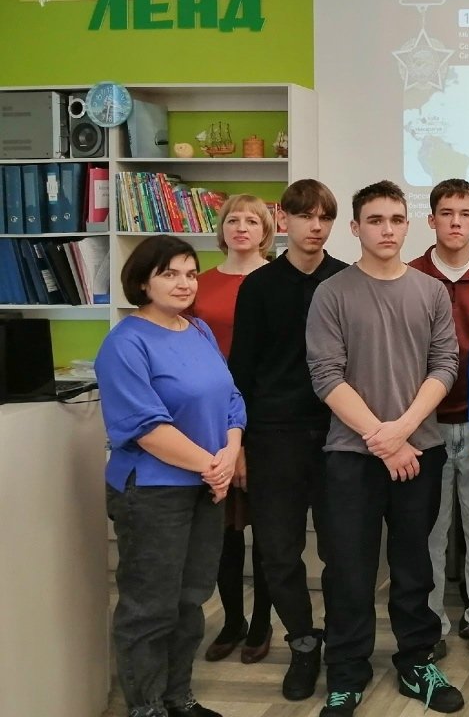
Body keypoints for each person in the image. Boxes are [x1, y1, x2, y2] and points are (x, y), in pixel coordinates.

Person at [306, 180, 463, 717]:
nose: (387, 229)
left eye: (396, 219)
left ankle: (416, 661)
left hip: (420, 451)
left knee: (415, 564)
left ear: (408, 224)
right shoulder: (332, 293)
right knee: (349, 568)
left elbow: (445, 365)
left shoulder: (430, 292)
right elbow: (326, 376)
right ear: (356, 228)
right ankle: (346, 671)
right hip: (352, 456)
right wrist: (383, 438)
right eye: (375, 220)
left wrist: (403, 432)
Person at [97, 235, 246, 717]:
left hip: (205, 487)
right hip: (152, 492)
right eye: (169, 274)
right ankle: (146, 708)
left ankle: (177, 697)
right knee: (150, 607)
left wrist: (230, 453)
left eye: (190, 273)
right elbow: (145, 426)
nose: (184, 283)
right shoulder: (125, 342)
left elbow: (231, 399)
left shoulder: (198, 329)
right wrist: (214, 465)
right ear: (143, 281)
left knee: (190, 600)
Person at [229, 180, 347, 701]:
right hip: (273, 436)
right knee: (278, 552)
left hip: (339, 434)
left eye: (324, 217)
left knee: (344, 551)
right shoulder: (259, 286)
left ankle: (342, 643)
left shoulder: (346, 280)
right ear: (285, 220)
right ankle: (302, 642)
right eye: (305, 216)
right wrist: (238, 444)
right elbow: (241, 370)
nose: (315, 226)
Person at [408, 179, 469, 679]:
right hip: (425, 427)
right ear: (432, 220)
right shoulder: (410, 276)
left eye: (465, 214)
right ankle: (430, 627)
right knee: (429, 534)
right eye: (446, 213)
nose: (456, 222)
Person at [189, 194, 275, 667]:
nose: (241, 227)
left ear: (266, 231)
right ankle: (232, 621)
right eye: (233, 220)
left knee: (267, 526)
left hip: (264, 418)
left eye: (252, 221)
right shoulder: (198, 285)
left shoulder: (277, 281)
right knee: (222, 529)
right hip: (207, 421)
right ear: (221, 230)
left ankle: (261, 622)